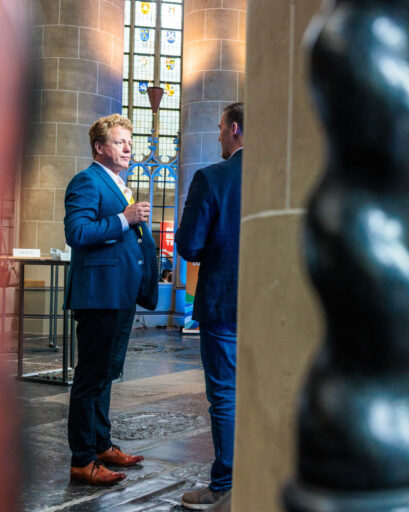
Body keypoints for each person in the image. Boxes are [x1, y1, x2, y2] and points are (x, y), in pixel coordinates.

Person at [63, 114, 158, 485]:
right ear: (99, 147)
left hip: (119, 293)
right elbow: (77, 232)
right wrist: (124, 217)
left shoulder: (117, 183)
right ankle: (82, 459)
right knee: (90, 378)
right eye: (120, 142)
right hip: (99, 295)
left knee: (105, 375)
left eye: (129, 142)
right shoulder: (86, 181)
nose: (127, 147)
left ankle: (101, 444)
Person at [176, 102, 243, 510]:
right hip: (270, 303)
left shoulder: (212, 178)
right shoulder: (281, 175)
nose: (218, 135)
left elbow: (188, 244)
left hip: (223, 303)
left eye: (220, 128)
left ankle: (224, 486)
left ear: (234, 129)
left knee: (225, 394)